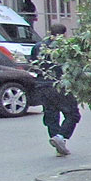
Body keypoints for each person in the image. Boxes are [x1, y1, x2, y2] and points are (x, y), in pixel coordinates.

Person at [31, 23, 81, 156]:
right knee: (73, 114)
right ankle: (60, 137)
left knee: (51, 115)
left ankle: (57, 143)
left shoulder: (38, 46)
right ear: (64, 34)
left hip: (42, 85)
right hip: (60, 84)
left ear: (49, 32)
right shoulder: (67, 48)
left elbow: (34, 64)